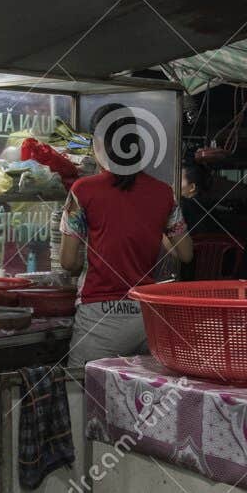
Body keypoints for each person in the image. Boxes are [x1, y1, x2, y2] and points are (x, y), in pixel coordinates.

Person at [60, 104, 191, 368]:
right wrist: (149, 226)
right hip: (146, 316)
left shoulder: (82, 190)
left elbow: (68, 262)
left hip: (101, 316)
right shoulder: (163, 192)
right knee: (139, 398)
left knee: (82, 391)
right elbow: (186, 254)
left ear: (99, 143)